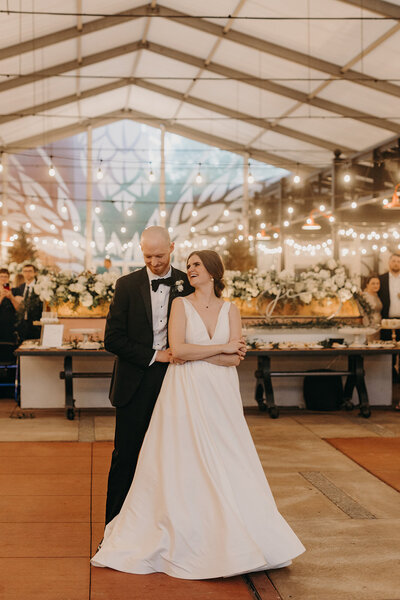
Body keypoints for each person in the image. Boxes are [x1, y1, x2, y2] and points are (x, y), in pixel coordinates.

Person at [92, 250, 305, 579]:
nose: (189, 270)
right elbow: (179, 350)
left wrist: (207, 354)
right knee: (184, 457)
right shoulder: (181, 304)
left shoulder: (231, 309)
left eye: (195, 265)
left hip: (220, 392)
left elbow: (235, 359)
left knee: (229, 456)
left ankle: (234, 531)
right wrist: (220, 348)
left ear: (213, 273)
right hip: (185, 389)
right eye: (189, 265)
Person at [103, 226, 193, 525]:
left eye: (160, 255)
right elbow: (112, 339)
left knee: (174, 455)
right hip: (135, 381)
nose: (154, 262)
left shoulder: (187, 282)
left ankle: (167, 524)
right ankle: (115, 526)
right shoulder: (126, 285)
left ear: (173, 247)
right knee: (126, 456)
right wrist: (155, 355)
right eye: (147, 256)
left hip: (177, 380)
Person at [13, 264, 43, 341]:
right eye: (25, 271)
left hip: (36, 324)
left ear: (35, 273)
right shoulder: (20, 288)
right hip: (22, 325)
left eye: (30, 271)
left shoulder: (40, 287)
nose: (27, 273)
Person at [378, 252, 400, 341]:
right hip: (386, 320)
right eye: (394, 261)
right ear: (389, 262)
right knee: (387, 348)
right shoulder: (381, 279)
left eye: (399, 261)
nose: (396, 263)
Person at [0, 268, 20, 343]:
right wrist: (2, 296)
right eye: (1, 276)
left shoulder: (16, 291)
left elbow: (19, 309)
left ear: (8, 278)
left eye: (5, 277)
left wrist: (11, 297)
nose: (3, 279)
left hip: (11, 326)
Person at [362, 274, 382, 340]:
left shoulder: (377, 295)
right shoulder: (364, 296)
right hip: (369, 327)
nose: (376, 285)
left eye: (377, 283)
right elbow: (362, 313)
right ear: (367, 285)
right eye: (373, 283)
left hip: (378, 327)